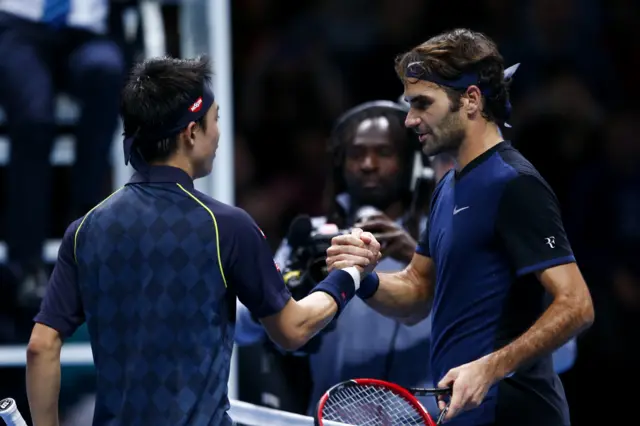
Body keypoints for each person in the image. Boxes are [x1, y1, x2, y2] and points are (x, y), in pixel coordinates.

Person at [24, 56, 379, 426]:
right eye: (216, 119)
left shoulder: (84, 230)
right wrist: (348, 275)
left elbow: (40, 347)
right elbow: (292, 330)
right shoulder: (227, 226)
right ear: (191, 132)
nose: (219, 133)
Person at [326, 29, 594, 426]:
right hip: (465, 416)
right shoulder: (446, 189)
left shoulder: (514, 183)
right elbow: (418, 291)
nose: (410, 119)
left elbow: (577, 305)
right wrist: (364, 277)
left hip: (516, 413)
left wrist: (491, 367)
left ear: (470, 100)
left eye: (422, 104)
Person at [236, 100, 447, 416]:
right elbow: (240, 326)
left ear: (413, 166)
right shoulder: (313, 239)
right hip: (330, 418)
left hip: (424, 418)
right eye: (356, 154)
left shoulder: (440, 235)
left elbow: (478, 313)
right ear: (340, 165)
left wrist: (415, 255)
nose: (368, 164)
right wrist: (285, 295)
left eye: (384, 153)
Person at [0, 0, 125, 307]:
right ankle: (26, 262)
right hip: (18, 23)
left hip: (89, 29)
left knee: (107, 71)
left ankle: (85, 231)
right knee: (34, 118)